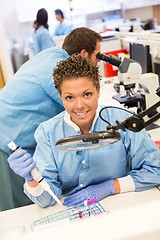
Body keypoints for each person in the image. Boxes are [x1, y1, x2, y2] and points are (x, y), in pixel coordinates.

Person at [8, 54, 160, 208]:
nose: (79, 105)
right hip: (72, 211)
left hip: (120, 206)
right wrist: (31, 179)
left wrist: (110, 187)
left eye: (87, 94)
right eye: (69, 97)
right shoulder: (47, 133)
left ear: (98, 91)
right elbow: (46, 199)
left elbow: (156, 170)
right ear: (60, 96)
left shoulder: (124, 122)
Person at [0, 27, 102, 211]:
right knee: (19, 210)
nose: (98, 63)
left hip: (14, 134)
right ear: (84, 53)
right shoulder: (56, 70)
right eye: (98, 56)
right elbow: (84, 114)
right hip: (6, 143)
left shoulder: (52, 55)